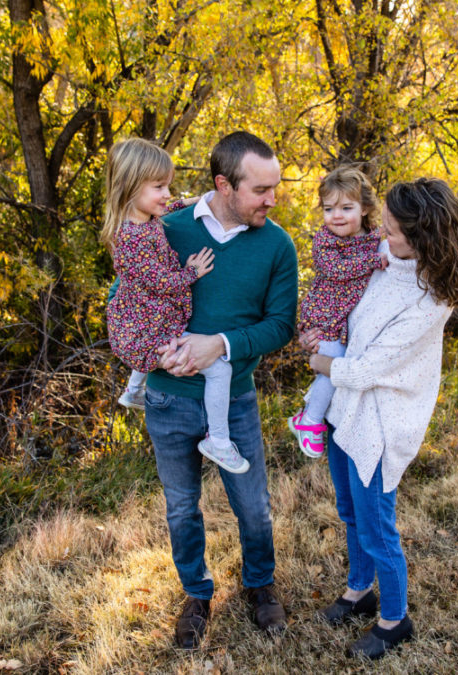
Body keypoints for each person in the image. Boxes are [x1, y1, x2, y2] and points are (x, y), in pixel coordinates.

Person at [301, 177, 458, 660]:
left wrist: (321, 363)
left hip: (380, 425)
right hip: (344, 410)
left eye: (393, 230)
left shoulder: (431, 301)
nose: (382, 233)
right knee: (349, 512)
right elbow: (339, 303)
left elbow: (369, 368)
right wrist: (317, 331)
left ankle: (394, 619)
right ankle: (360, 591)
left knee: (379, 527)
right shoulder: (382, 262)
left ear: (423, 238)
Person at [142, 132, 298, 649]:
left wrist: (222, 345)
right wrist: (147, 352)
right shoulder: (168, 226)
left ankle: (260, 584)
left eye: (275, 187)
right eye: (260, 190)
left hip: (234, 399)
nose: (271, 199)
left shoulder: (277, 245)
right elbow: (127, 296)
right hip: (167, 398)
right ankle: (196, 594)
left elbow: (280, 325)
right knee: (181, 506)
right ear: (223, 185)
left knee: (252, 505)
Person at [103, 138, 249, 474]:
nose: (167, 194)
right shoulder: (131, 238)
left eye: (167, 185)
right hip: (150, 326)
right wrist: (191, 272)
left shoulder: (142, 215)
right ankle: (219, 440)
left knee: (147, 346)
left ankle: (133, 390)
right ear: (130, 186)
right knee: (220, 370)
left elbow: (168, 208)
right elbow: (160, 282)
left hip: (144, 320)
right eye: (159, 187)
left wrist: (196, 200)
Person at [288, 166, 384, 459]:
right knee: (334, 368)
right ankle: (310, 421)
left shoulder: (376, 238)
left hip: (344, 319)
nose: (336, 216)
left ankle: (309, 414)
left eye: (346, 207)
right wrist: (372, 261)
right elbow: (335, 269)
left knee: (338, 368)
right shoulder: (325, 240)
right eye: (329, 209)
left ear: (365, 208)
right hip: (324, 317)